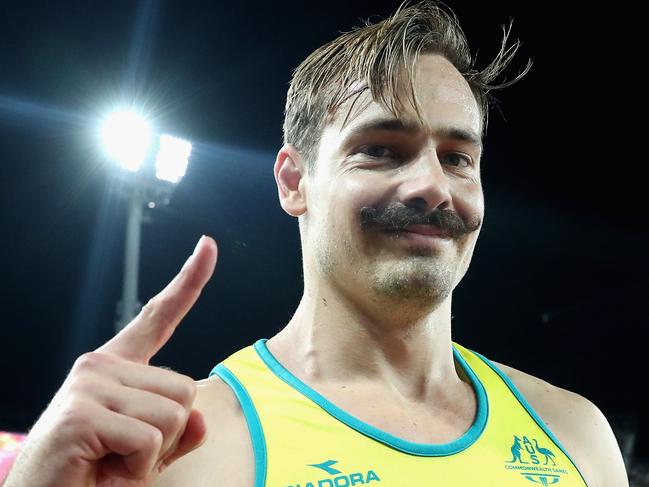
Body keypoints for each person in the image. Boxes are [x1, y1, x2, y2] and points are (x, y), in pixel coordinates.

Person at [3, 1, 629, 486]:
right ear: (295, 180)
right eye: (381, 150)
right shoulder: (191, 447)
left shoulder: (576, 438)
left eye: (459, 157)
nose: (434, 186)